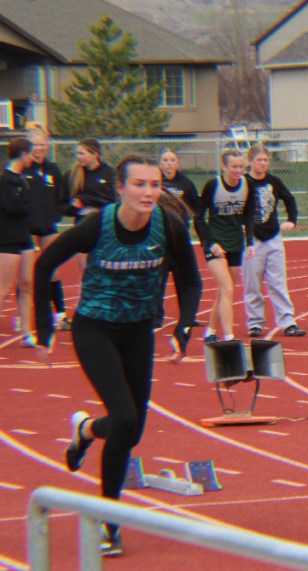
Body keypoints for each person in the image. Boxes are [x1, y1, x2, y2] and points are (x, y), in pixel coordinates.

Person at [32, 154, 202, 557]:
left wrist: (183, 328)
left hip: (138, 330)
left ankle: (87, 430)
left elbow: (190, 280)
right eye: (139, 184)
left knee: (131, 430)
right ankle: (110, 524)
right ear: (120, 188)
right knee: (125, 418)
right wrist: (43, 330)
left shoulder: (169, 226)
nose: (148, 192)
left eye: (154, 184)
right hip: (95, 329)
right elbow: (44, 266)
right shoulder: (97, 225)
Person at [242, 144, 306, 338]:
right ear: (250, 161)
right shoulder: (243, 183)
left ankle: (288, 322)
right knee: (253, 283)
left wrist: (292, 220)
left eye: (266, 160)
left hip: (273, 237)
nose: (262, 164)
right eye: (259, 160)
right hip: (252, 239)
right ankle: (255, 323)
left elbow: (289, 200)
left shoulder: (274, 182)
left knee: (278, 282)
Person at [193, 148, 254, 343]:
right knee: (227, 288)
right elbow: (198, 217)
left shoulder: (247, 185)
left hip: (235, 243)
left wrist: (250, 241)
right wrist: (209, 243)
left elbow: (249, 215)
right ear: (224, 167)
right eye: (234, 166)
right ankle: (229, 336)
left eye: (241, 166)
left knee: (224, 291)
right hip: (216, 244)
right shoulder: (213, 186)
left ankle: (211, 330)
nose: (238, 170)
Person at [23, 128, 70, 331]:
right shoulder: (22, 169)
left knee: (53, 268)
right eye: (35, 145)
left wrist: (58, 213)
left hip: (48, 226)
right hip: (26, 228)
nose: (39, 149)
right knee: (26, 273)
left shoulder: (53, 170)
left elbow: (61, 198)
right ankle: (23, 316)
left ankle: (60, 314)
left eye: (43, 144)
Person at [154, 148, 199, 329]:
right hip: (160, 238)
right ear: (161, 163)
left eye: (172, 160)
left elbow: (195, 205)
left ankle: (188, 317)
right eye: (165, 160)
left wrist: (194, 225)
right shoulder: (156, 181)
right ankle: (156, 317)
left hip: (179, 237)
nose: (169, 163)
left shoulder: (185, 183)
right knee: (159, 279)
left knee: (183, 279)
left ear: (177, 163)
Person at [0, 138, 36, 347]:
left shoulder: (22, 179)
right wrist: (25, 204)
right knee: (4, 288)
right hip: (8, 238)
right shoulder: (5, 179)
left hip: (24, 237)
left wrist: (25, 204)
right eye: (30, 154)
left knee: (27, 284)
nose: (33, 158)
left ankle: (27, 332)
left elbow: (25, 206)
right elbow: (14, 207)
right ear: (23, 154)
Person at [62, 138, 117, 273]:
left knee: (103, 268)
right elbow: (62, 205)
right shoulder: (72, 175)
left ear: (95, 154)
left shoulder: (108, 172)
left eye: (82, 153)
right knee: (85, 271)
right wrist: (75, 206)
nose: (78, 157)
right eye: (77, 154)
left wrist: (86, 200)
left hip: (103, 222)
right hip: (82, 224)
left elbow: (111, 200)